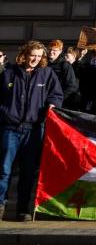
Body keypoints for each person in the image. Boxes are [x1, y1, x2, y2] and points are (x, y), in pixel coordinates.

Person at [0, 41, 64, 220]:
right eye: (32, 55)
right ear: (24, 55)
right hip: (10, 128)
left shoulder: (47, 74)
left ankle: (23, 209)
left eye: (39, 55)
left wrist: (53, 104)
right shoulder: (9, 73)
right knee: (4, 170)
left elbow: (57, 94)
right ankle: (0, 205)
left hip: (34, 129)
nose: (35, 59)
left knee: (28, 171)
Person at [48, 43, 80, 112]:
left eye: (54, 50)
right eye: (50, 49)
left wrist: (58, 99)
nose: (51, 52)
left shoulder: (65, 65)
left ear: (60, 51)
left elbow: (71, 86)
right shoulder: (45, 64)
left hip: (58, 103)